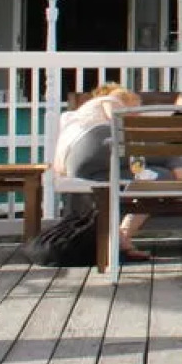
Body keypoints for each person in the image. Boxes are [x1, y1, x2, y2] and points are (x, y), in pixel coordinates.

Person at [53, 83, 154, 260]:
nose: (139, 114)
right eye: (136, 108)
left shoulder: (82, 114)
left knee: (153, 177)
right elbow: (116, 123)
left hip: (80, 166)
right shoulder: (110, 100)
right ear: (125, 100)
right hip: (92, 147)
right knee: (162, 160)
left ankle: (121, 241)